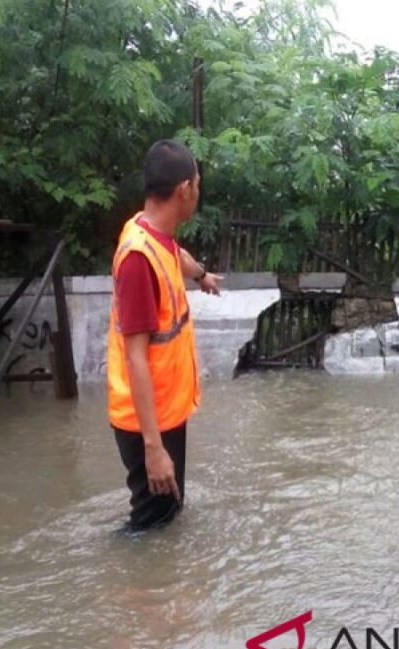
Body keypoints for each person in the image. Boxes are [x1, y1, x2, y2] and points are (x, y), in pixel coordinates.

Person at [107, 139, 223, 530]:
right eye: (197, 184)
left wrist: (202, 275)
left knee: (168, 515)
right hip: (146, 421)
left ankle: (157, 589)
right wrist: (153, 448)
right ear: (184, 190)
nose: (198, 191)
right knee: (149, 529)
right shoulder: (139, 260)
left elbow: (178, 255)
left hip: (165, 411)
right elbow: (134, 355)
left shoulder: (154, 234)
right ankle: (126, 587)